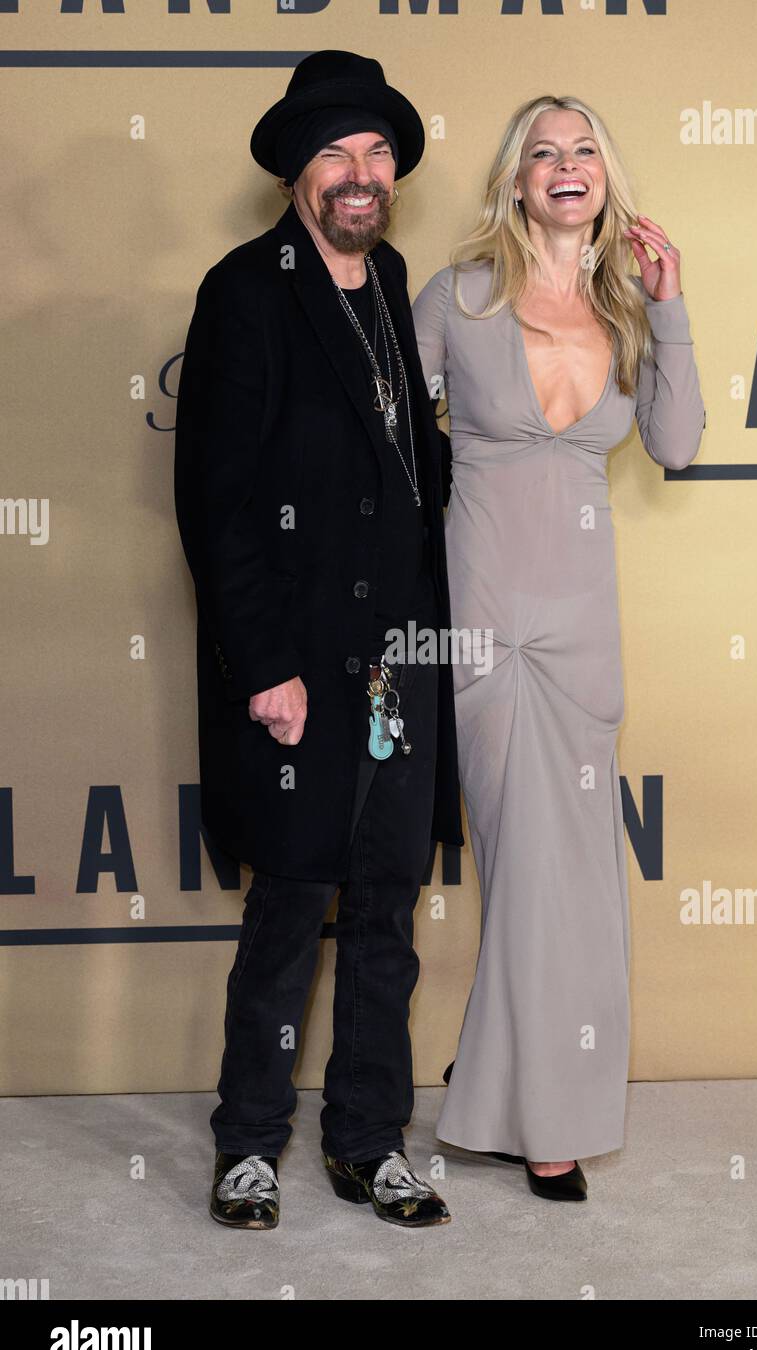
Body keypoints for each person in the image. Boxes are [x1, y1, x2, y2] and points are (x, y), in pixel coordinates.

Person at [173, 49, 464, 1231]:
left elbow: (409, 472)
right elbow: (217, 499)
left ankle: (367, 1140)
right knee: (291, 908)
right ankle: (248, 1143)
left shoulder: (393, 278)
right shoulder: (245, 290)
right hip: (299, 658)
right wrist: (267, 666)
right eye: (335, 152)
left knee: (387, 908)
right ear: (297, 171)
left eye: (378, 152)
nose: (360, 172)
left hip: (401, 656)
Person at [412, 95, 705, 1201]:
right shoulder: (460, 296)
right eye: (543, 151)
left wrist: (671, 307)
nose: (565, 164)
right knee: (528, 872)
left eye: (584, 148)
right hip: (485, 619)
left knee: (574, 879)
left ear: (604, 176)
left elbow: (674, 444)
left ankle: (501, 1099)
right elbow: (383, 435)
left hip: (585, 629)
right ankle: (545, 1127)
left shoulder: (631, 309)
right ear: (516, 181)